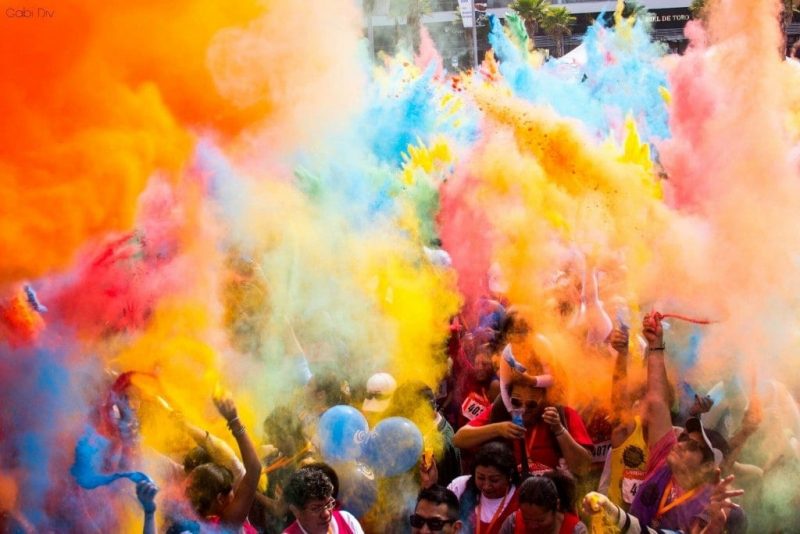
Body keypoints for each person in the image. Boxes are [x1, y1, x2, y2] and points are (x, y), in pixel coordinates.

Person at [628, 313, 738, 531]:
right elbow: (658, 402)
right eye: (685, 437)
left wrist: (716, 524)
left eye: (694, 447)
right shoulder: (665, 457)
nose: (681, 444)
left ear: (708, 466)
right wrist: (656, 345)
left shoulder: (708, 501)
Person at [453, 348, 592, 476]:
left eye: (531, 404)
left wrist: (559, 430)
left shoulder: (563, 414)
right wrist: (498, 429)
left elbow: (583, 468)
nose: (523, 409)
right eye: (517, 402)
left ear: (545, 398)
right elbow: (459, 439)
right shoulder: (501, 410)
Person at [184, 395, 261, 533]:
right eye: (231, 490)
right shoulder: (227, 524)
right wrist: (234, 421)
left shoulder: (184, 521)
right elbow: (254, 468)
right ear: (220, 499)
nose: (235, 493)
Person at [447, 442, 520, 534]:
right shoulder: (460, 487)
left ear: (509, 475)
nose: (486, 486)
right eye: (480, 478)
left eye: (494, 480)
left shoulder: (521, 499)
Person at [282, 467, 364, 534]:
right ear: (296, 511)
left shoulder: (347, 520)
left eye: (329, 504)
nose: (326, 514)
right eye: (316, 508)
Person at [499, 474, 587, 534]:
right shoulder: (512, 524)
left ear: (556, 506)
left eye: (540, 521)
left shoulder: (576, 530)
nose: (532, 526)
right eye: (526, 520)